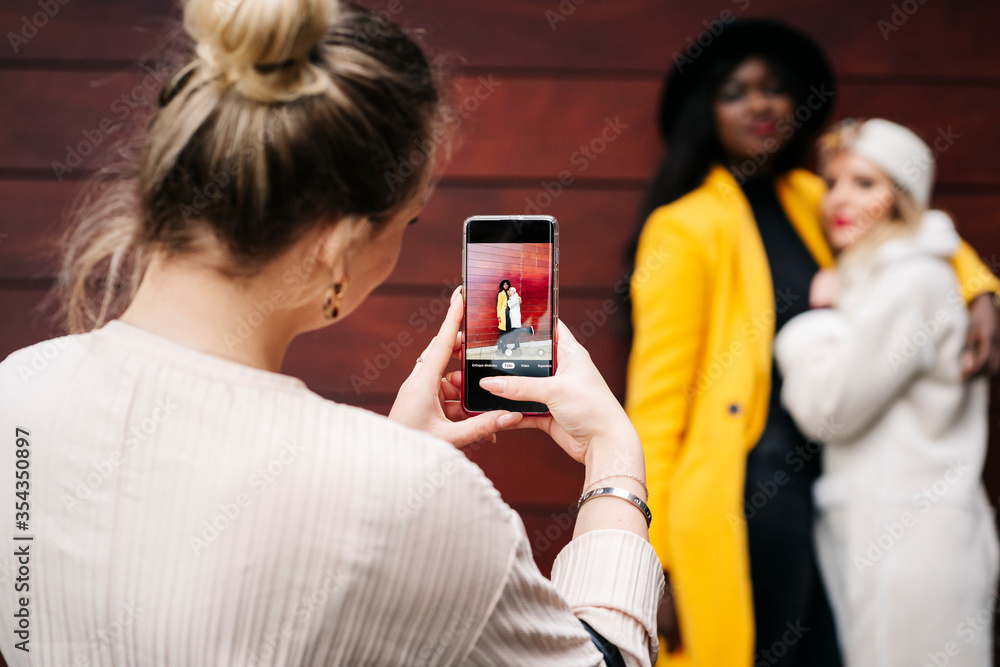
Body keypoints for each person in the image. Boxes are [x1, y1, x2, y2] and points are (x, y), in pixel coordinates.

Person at [0, 1, 664, 664]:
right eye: (405, 223)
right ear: (340, 246)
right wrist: (614, 461)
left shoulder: (18, 393)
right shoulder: (419, 494)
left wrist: (393, 462)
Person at [623, 18, 1000, 667]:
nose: (762, 104)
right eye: (736, 91)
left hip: (832, 498)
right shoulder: (683, 228)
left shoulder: (814, 196)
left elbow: (914, 226)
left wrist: (978, 287)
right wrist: (649, 562)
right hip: (745, 500)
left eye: (775, 88)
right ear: (705, 109)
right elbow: (655, 410)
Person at [774, 118, 999, 665]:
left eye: (866, 183)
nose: (839, 200)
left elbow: (829, 410)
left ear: (902, 196)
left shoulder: (909, 280)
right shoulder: (883, 273)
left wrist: (817, 323)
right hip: (892, 527)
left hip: (911, 538)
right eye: (833, 182)